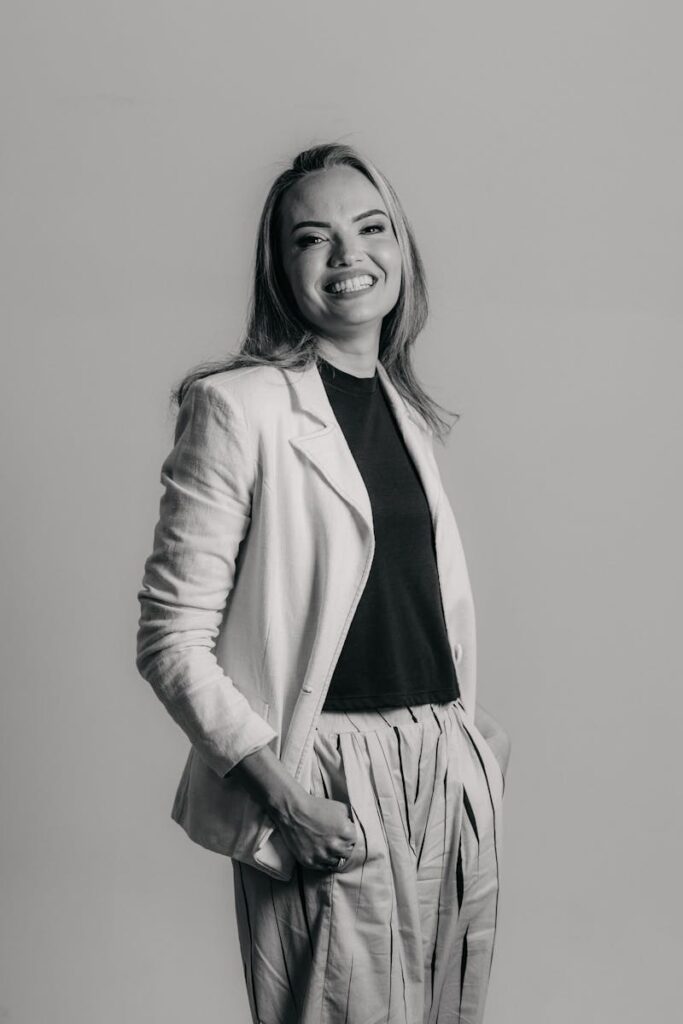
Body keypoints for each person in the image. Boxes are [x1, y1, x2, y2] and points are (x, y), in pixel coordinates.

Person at [136, 142, 511, 1024]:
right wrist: (286, 798)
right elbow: (169, 639)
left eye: (370, 228)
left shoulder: (403, 410)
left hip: (443, 768)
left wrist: (471, 751)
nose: (349, 256)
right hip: (324, 773)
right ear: (281, 269)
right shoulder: (239, 407)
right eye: (314, 238)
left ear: (401, 249)